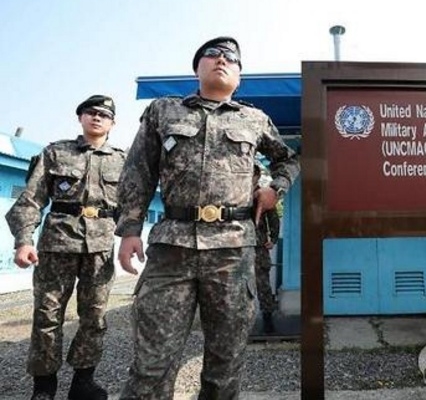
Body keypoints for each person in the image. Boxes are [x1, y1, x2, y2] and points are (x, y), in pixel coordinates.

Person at [115, 36, 300, 399]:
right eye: (212, 54)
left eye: (231, 57)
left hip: (232, 253)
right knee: (152, 364)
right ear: (197, 68)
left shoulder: (254, 119)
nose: (221, 59)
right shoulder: (164, 110)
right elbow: (138, 170)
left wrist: (274, 189)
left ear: (239, 77)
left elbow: (289, 158)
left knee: (224, 365)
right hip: (172, 249)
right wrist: (130, 229)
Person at [5, 95, 125, 400]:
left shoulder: (123, 161)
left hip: (100, 248)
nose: (96, 117)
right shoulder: (56, 153)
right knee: (47, 315)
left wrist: (131, 238)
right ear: (80, 117)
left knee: (95, 317)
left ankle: (83, 383)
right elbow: (31, 200)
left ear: (112, 123)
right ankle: (44, 387)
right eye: (90, 112)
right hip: (57, 245)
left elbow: (132, 206)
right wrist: (23, 241)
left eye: (103, 115)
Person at [252, 164, 281, 334]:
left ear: (257, 176)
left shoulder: (263, 194)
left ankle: (268, 319)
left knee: (263, 284)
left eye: (253, 175)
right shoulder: (236, 194)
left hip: (259, 246)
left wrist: (274, 238)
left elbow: (273, 217)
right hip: (237, 246)